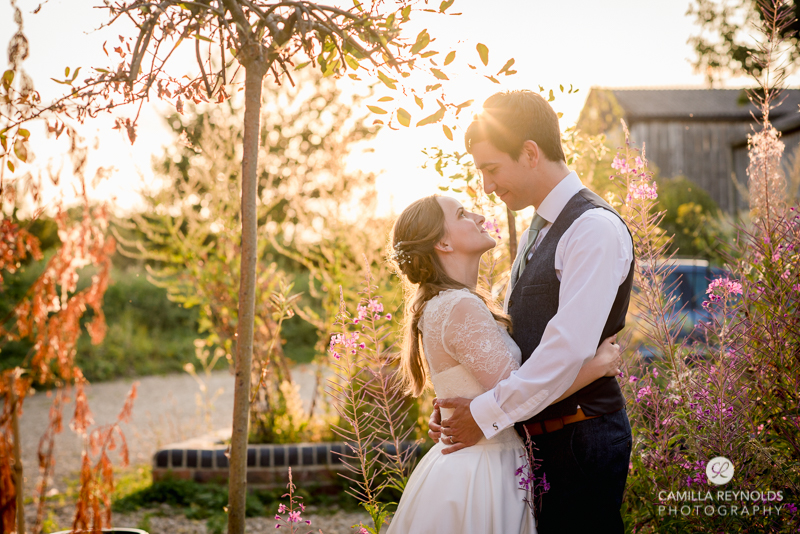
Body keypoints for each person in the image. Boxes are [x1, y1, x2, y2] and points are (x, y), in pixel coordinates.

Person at [429, 90, 635, 534]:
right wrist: (464, 396)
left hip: (580, 438)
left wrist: (483, 414)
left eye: (491, 168)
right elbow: (522, 342)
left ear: (529, 153)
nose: (485, 185)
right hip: (539, 440)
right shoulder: (538, 230)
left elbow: (565, 352)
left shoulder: (592, 229)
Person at [385, 194, 622, 534]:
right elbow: (521, 393)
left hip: (468, 461)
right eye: (463, 214)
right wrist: (596, 366)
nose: (480, 216)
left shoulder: (445, 303)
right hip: (483, 470)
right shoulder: (459, 306)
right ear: (442, 242)